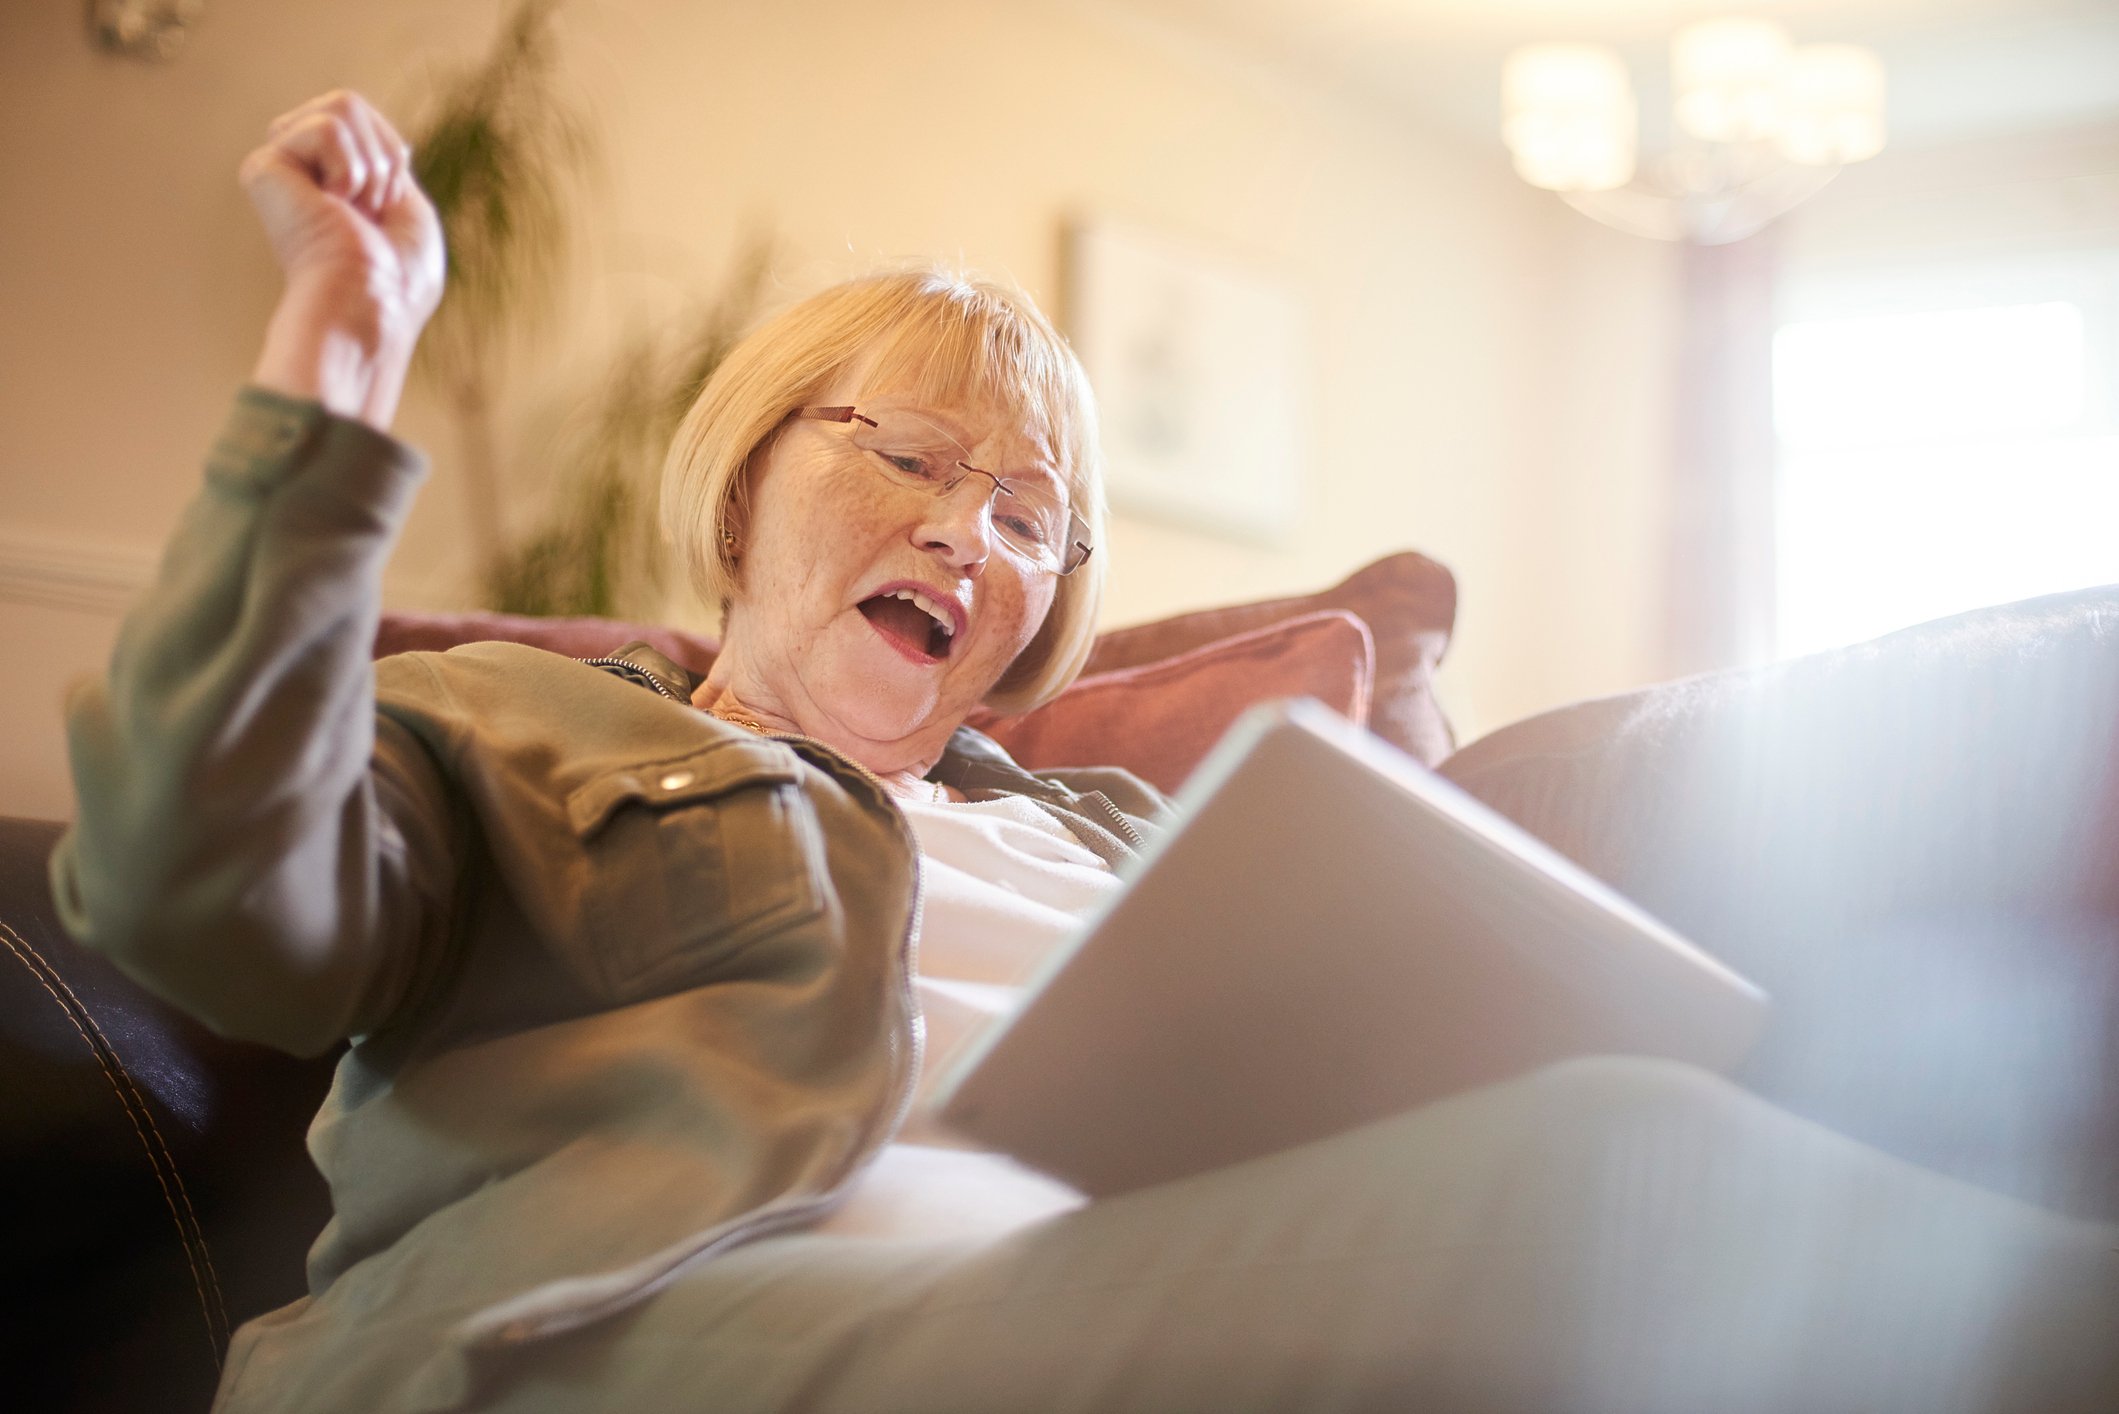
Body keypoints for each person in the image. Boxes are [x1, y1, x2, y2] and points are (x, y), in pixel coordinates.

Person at [49, 90, 2119, 1414]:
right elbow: (201, 891)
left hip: (1126, 1279)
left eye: (1033, 516)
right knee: (1616, 1189)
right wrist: (331, 371)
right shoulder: (512, 726)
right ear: (746, 488)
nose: (977, 533)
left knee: (1869, 1095)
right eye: (917, 460)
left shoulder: (1127, 823)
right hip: (638, 1320)